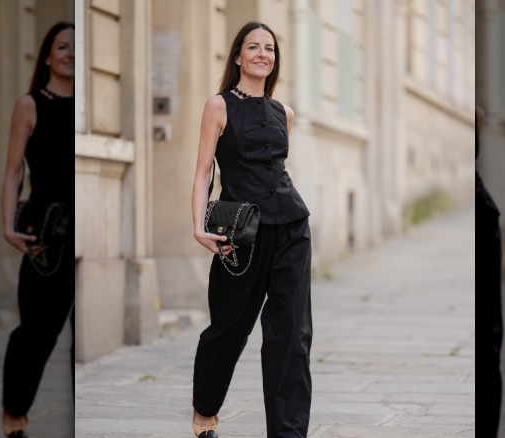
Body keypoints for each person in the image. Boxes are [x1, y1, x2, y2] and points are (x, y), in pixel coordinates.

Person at [190, 21, 313, 438]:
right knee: (229, 327)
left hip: (291, 226)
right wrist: (198, 225)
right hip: (241, 233)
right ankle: (205, 411)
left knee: (291, 336)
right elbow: (204, 171)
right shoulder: (219, 106)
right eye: (254, 47)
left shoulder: (285, 113)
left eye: (270, 49)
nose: (263, 54)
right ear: (238, 56)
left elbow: (276, 170)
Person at [0, 22, 75, 438]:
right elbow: (12, 173)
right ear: (48, 55)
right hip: (46, 231)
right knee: (36, 331)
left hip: (84, 230)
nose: (70, 53)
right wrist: (7, 226)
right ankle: (15, 416)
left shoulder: (83, 108)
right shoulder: (30, 105)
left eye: (77, 48)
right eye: (62, 46)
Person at [476, 106, 503, 437]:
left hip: (481, 221)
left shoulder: (476, 114)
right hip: (479, 218)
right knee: (486, 338)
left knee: (487, 339)